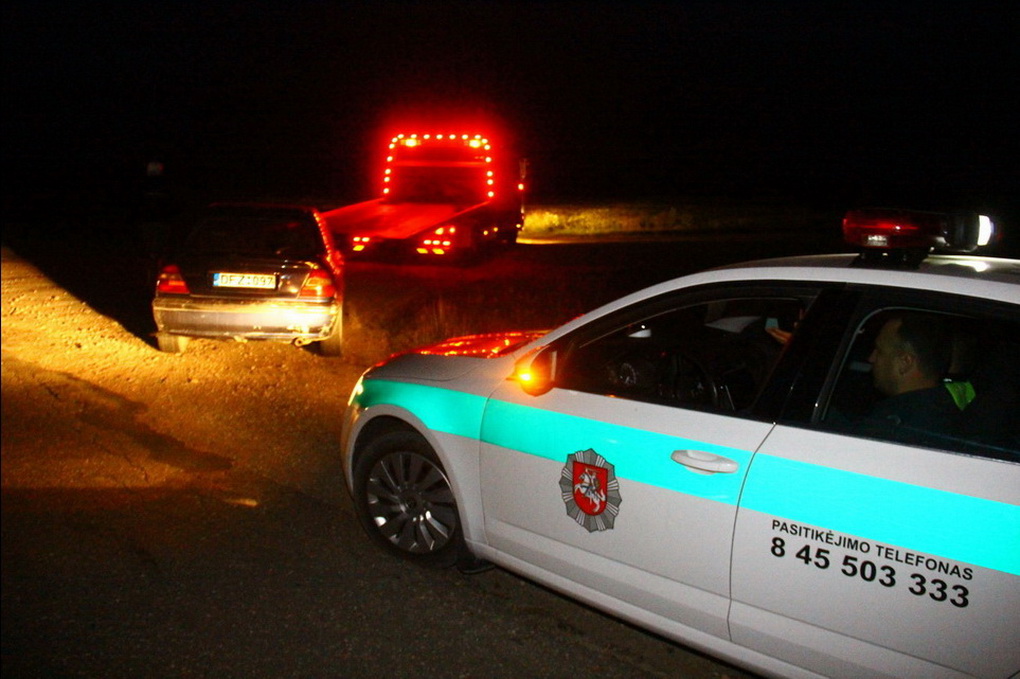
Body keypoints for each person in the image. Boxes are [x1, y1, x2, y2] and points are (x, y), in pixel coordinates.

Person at [855, 312, 961, 441]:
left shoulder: (895, 425)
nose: (871, 358)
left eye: (879, 351)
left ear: (905, 363)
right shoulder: (947, 415)